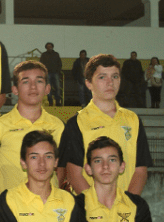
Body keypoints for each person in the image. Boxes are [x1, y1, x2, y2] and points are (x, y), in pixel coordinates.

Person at [60, 54, 153, 196]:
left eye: (115, 76)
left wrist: (127, 204)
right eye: (102, 77)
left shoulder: (133, 120)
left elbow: (140, 170)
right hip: (89, 207)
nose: (110, 82)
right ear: (88, 83)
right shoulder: (77, 123)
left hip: (125, 207)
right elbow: (74, 174)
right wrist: (96, 207)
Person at [0, 60, 67, 203]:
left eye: (39, 81)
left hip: (47, 209)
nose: (33, 86)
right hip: (11, 209)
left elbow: (62, 170)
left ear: (47, 88)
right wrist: (0, 208)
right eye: (26, 81)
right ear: (15, 89)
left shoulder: (59, 126)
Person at [40, 42, 63, 107]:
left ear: (52, 47)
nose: (49, 48)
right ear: (46, 48)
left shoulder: (56, 54)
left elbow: (59, 63)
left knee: (57, 87)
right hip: (47, 74)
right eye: (48, 46)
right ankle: (50, 101)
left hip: (55, 73)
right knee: (48, 88)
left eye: (50, 46)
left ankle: (58, 101)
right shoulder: (44, 55)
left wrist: (58, 70)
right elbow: (41, 64)